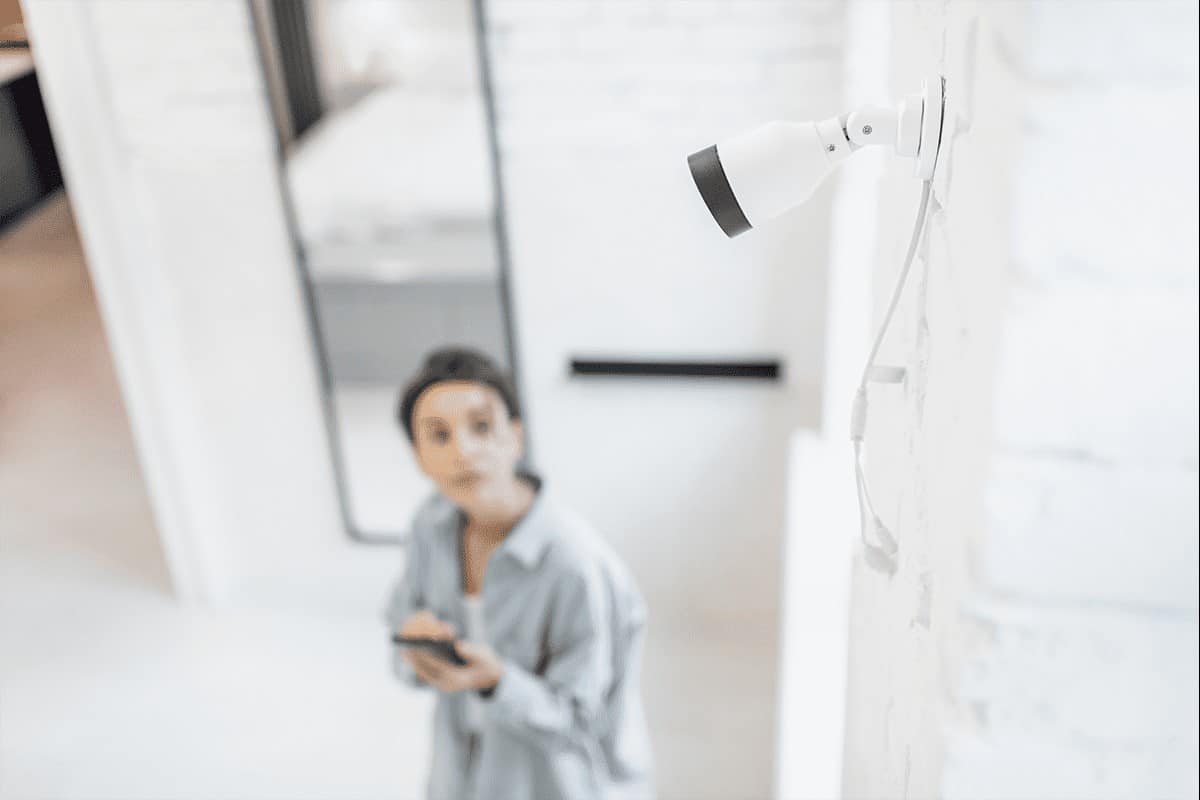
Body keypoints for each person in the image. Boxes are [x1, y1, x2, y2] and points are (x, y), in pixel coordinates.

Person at [384, 347, 654, 800]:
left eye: (481, 427)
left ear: (515, 436)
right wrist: (414, 641)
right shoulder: (430, 526)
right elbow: (399, 623)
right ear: (417, 454)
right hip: (462, 772)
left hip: (557, 781)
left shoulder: (574, 562)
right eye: (439, 435)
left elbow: (587, 722)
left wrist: (497, 683)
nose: (463, 450)